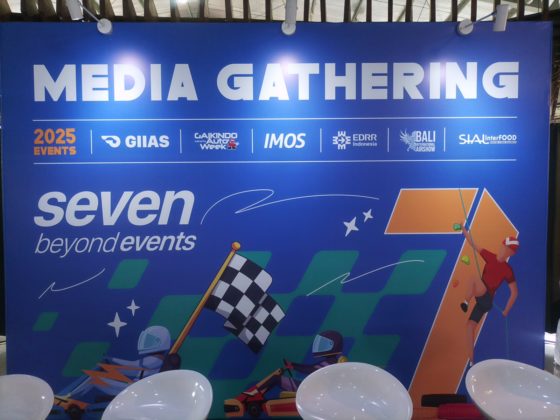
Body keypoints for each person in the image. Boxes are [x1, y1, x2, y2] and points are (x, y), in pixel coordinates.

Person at [457, 224, 519, 366]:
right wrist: (464, 230)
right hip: (481, 300)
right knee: (469, 327)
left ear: (511, 254)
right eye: (504, 246)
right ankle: (472, 361)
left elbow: (514, 292)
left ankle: (466, 302)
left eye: (508, 250)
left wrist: (506, 310)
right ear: (501, 245)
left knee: (474, 278)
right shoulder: (489, 256)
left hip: (486, 298)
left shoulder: (507, 270)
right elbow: (473, 244)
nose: (504, 250)